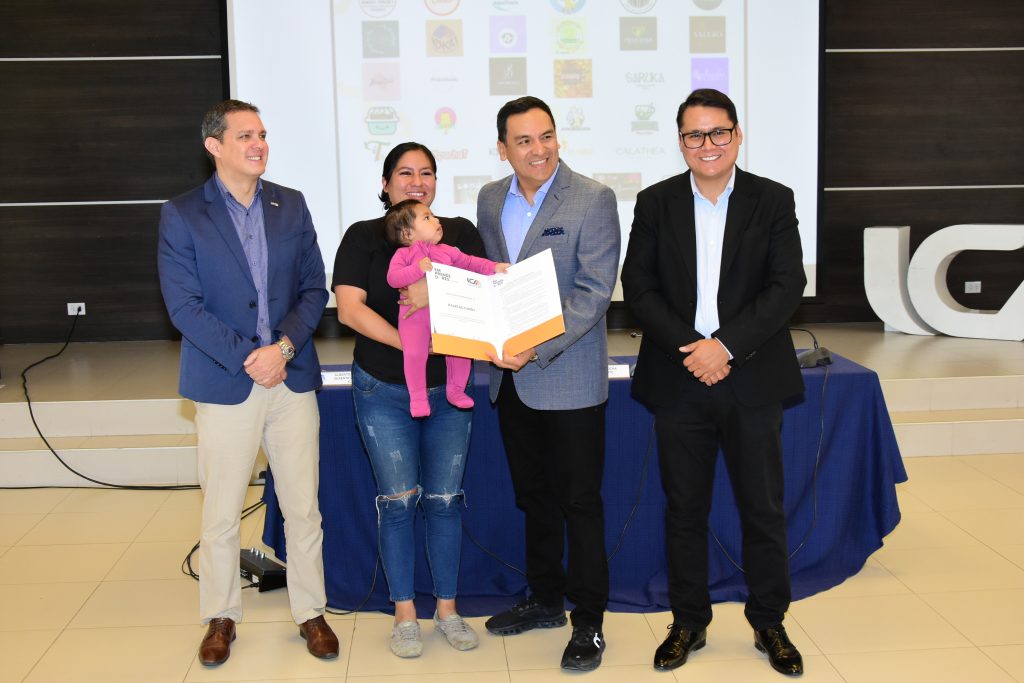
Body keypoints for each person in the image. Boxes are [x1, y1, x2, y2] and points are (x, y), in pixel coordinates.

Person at [620, 88, 807, 677]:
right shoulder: (655, 202)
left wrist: (724, 347)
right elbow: (639, 287)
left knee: (763, 509)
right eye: (694, 135)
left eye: (718, 132)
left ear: (737, 135)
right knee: (684, 509)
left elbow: (787, 285)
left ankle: (770, 621)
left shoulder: (772, 199)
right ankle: (688, 621)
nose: (708, 144)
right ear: (680, 142)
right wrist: (694, 350)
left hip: (751, 376)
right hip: (680, 377)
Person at [157, 99, 338, 666]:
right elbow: (184, 308)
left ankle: (311, 612)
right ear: (214, 146)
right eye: (245, 136)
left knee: (303, 505)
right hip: (225, 380)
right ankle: (221, 616)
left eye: (262, 134)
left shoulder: (291, 204)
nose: (259, 144)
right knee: (221, 511)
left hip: (291, 376)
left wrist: (281, 349)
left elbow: (314, 288)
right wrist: (251, 358)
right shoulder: (183, 214)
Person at [476, 96, 621, 672]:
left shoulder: (593, 197)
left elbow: (594, 291)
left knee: (579, 502)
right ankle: (544, 599)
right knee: (533, 497)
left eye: (547, 136)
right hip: (510, 382)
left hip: (568, 378)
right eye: (524, 141)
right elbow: (490, 282)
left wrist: (535, 347)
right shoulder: (491, 199)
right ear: (503, 149)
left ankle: (588, 620)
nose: (539, 150)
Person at [333, 142, 483, 658]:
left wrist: (431, 295)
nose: (417, 181)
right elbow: (349, 309)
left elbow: (481, 291)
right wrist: (412, 343)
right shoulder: (363, 236)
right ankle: (404, 615)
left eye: (426, 173)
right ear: (385, 184)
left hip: (449, 393)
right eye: (404, 173)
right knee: (397, 504)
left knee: (445, 502)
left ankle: (448, 610)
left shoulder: (457, 231)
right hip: (382, 390)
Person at [384, 198, 509, 417]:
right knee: (414, 353)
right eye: (427, 218)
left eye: (433, 215)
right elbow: (393, 278)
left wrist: (494, 267)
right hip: (414, 317)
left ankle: (456, 390)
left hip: (450, 313)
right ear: (407, 233)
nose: (436, 220)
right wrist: (417, 269)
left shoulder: (448, 250)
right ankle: (418, 398)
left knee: (461, 349)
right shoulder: (403, 255)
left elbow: (471, 263)